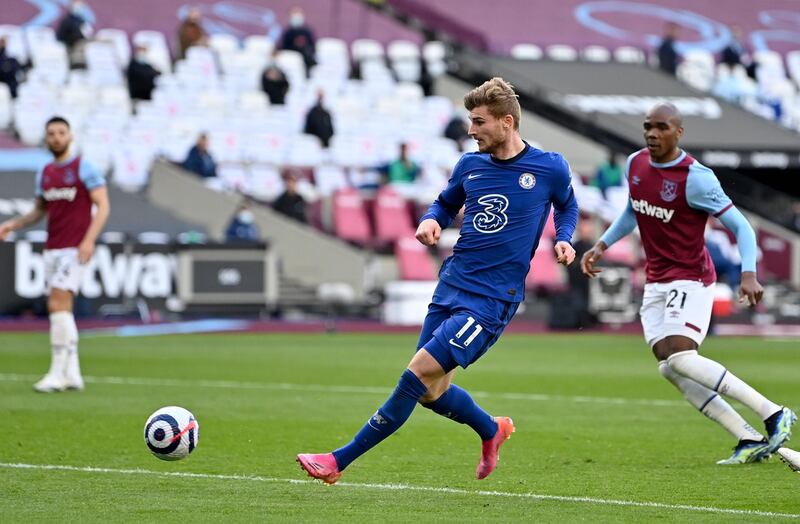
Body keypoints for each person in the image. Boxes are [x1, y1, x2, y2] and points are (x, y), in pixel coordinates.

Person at [297, 77, 578, 484]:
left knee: (415, 374)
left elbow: (567, 206)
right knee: (430, 392)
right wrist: (431, 219)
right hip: (452, 284)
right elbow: (445, 202)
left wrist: (565, 239)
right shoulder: (470, 165)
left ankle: (339, 460)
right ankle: (491, 429)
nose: (470, 130)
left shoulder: (549, 166)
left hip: (492, 299)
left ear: (506, 122)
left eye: (479, 122)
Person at [581, 102, 796, 465]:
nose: (652, 132)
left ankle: (774, 413)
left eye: (661, 127)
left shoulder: (696, 177)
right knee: (669, 365)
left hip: (691, 277)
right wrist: (602, 245)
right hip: (656, 280)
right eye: (648, 126)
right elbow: (634, 210)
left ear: (678, 132)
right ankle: (746, 437)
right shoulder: (636, 164)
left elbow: (742, 226)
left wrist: (748, 273)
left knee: (682, 355)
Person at [0, 116, 109, 392]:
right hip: (53, 249)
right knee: (63, 310)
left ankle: (56, 373)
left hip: (75, 247)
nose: (56, 137)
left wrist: (89, 241)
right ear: (46, 138)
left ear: (70, 136)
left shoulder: (83, 167)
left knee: (57, 304)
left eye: (61, 132)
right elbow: (40, 210)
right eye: (51, 133)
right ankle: (73, 373)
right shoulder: (45, 172)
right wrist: (13, 223)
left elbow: (103, 206)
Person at [280, 6, 316, 71]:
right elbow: (283, 46)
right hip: (289, 58)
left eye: (298, 14)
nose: (296, 17)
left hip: (305, 59)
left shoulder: (307, 31)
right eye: (294, 14)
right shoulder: (287, 32)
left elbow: (312, 46)